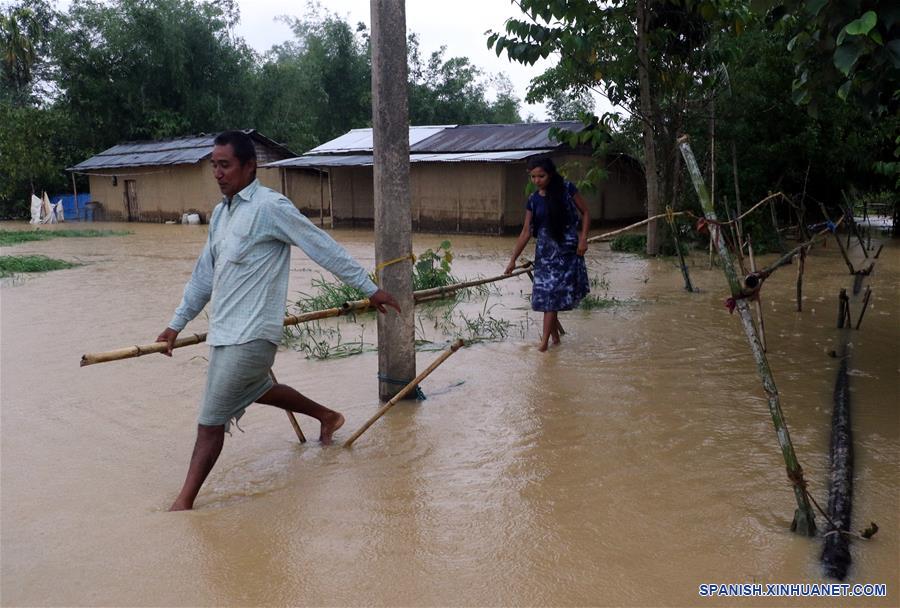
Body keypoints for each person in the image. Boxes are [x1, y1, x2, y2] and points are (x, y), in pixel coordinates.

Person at [157, 130, 400, 511]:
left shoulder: (271, 207)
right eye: (214, 166)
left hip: (253, 335)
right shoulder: (222, 214)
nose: (218, 173)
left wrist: (369, 289)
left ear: (249, 167)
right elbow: (204, 276)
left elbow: (320, 245)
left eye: (225, 165)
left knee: (210, 421)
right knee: (257, 389)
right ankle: (328, 416)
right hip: (224, 333)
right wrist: (175, 325)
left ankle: (183, 505)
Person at [504, 156, 590, 351]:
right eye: (533, 177)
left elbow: (585, 213)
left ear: (550, 174)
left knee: (550, 298)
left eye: (541, 176)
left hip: (566, 253)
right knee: (545, 298)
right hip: (544, 255)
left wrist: (583, 239)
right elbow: (526, 231)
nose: (536, 181)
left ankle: (543, 345)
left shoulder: (568, 190)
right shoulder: (533, 200)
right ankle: (555, 341)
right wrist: (512, 260)